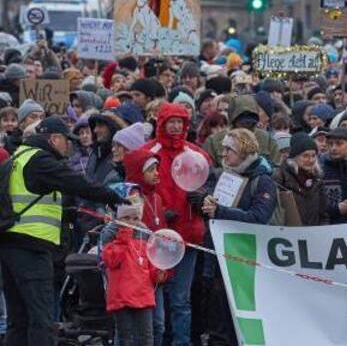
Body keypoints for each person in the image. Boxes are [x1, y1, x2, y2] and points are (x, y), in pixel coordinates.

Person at [0, 116, 125, 346]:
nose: (69, 146)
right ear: (54, 138)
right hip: (31, 249)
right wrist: (114, 197)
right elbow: (76, 182)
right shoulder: (41, 160)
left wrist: (68, 213)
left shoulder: (18, 158)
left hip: (9, 246)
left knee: (18, 320)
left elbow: (26, 202)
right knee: (42, 319)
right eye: (66, 140)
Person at [201, 128, 278, 346]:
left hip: (247, 266)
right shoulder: (222, 176)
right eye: (223, 149)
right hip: (219, 262)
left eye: (229, 149)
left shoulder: (263, 181)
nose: (223, 154)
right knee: (220, 328)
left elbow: (258, 218)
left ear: (244, 152)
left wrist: (220, 212)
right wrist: (204, 203)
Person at [146, 102, 212, 346]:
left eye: (180, 122)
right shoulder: (150, 153)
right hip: (158, 238)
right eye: (170, 122)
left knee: (180, 300)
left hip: (188, 235)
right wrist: (161, 211)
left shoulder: (196, 154)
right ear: (161, 124)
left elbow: (210, 184)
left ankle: (181, 342)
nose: (175, 127)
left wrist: (203, 195)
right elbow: (139, 189)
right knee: (157, 296)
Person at [101, 196, 165, 346]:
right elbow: (111, 260)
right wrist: (123, 238)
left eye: (136, 218)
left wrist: (158, 273)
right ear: (120, 218)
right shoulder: (111, 235)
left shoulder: (146, 236)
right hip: (121, 297)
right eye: (127, 218)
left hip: (143, 296)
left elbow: (151, 264)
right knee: (125, 337)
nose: (132, 222)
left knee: (146, 337)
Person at [272, 132, 328, 226]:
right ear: (294, 156)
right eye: (305, 156)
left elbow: (324, 213)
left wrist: (323, 230)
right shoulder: (280, 177)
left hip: (315, 235)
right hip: (290, 235)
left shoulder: (318, 179)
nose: (310, 160)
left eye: (313, 155)